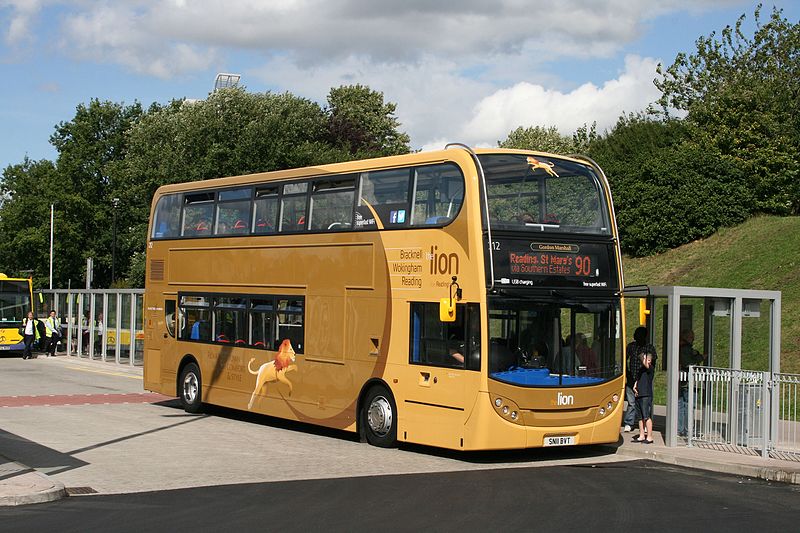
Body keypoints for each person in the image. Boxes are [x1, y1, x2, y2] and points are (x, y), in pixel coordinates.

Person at [623, 327, 657, 432]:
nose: (636, 337)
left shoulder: (649, 348)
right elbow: (624, 358)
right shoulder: (631, 347)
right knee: (632, 402)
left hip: (643, 379)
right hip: (632, 377)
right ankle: (629, 422)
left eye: (639, 335)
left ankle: (646, 423)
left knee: (644, 402)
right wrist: (626, 372)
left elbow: (651, 363)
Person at [678, 329, 706, 437]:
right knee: (690, 405)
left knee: (682, 404)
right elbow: (688, 362)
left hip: (682, 380)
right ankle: (688, 429)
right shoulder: (685, 349)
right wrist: (700, 357)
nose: (693, 339)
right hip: (688, 381)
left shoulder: (682, 348)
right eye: (691, 337)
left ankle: (681, 428)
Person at [633, 346, 656, 444]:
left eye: (647, 359)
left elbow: (645, 363)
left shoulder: (650, 368)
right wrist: (635, 386)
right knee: (640, 417)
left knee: (646, 416)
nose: (644, 361)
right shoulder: (641, 369)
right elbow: (638, 379)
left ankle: (649, 436)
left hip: (646, 394)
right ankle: (641, 435)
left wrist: (645, 357)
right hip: (639, 394)